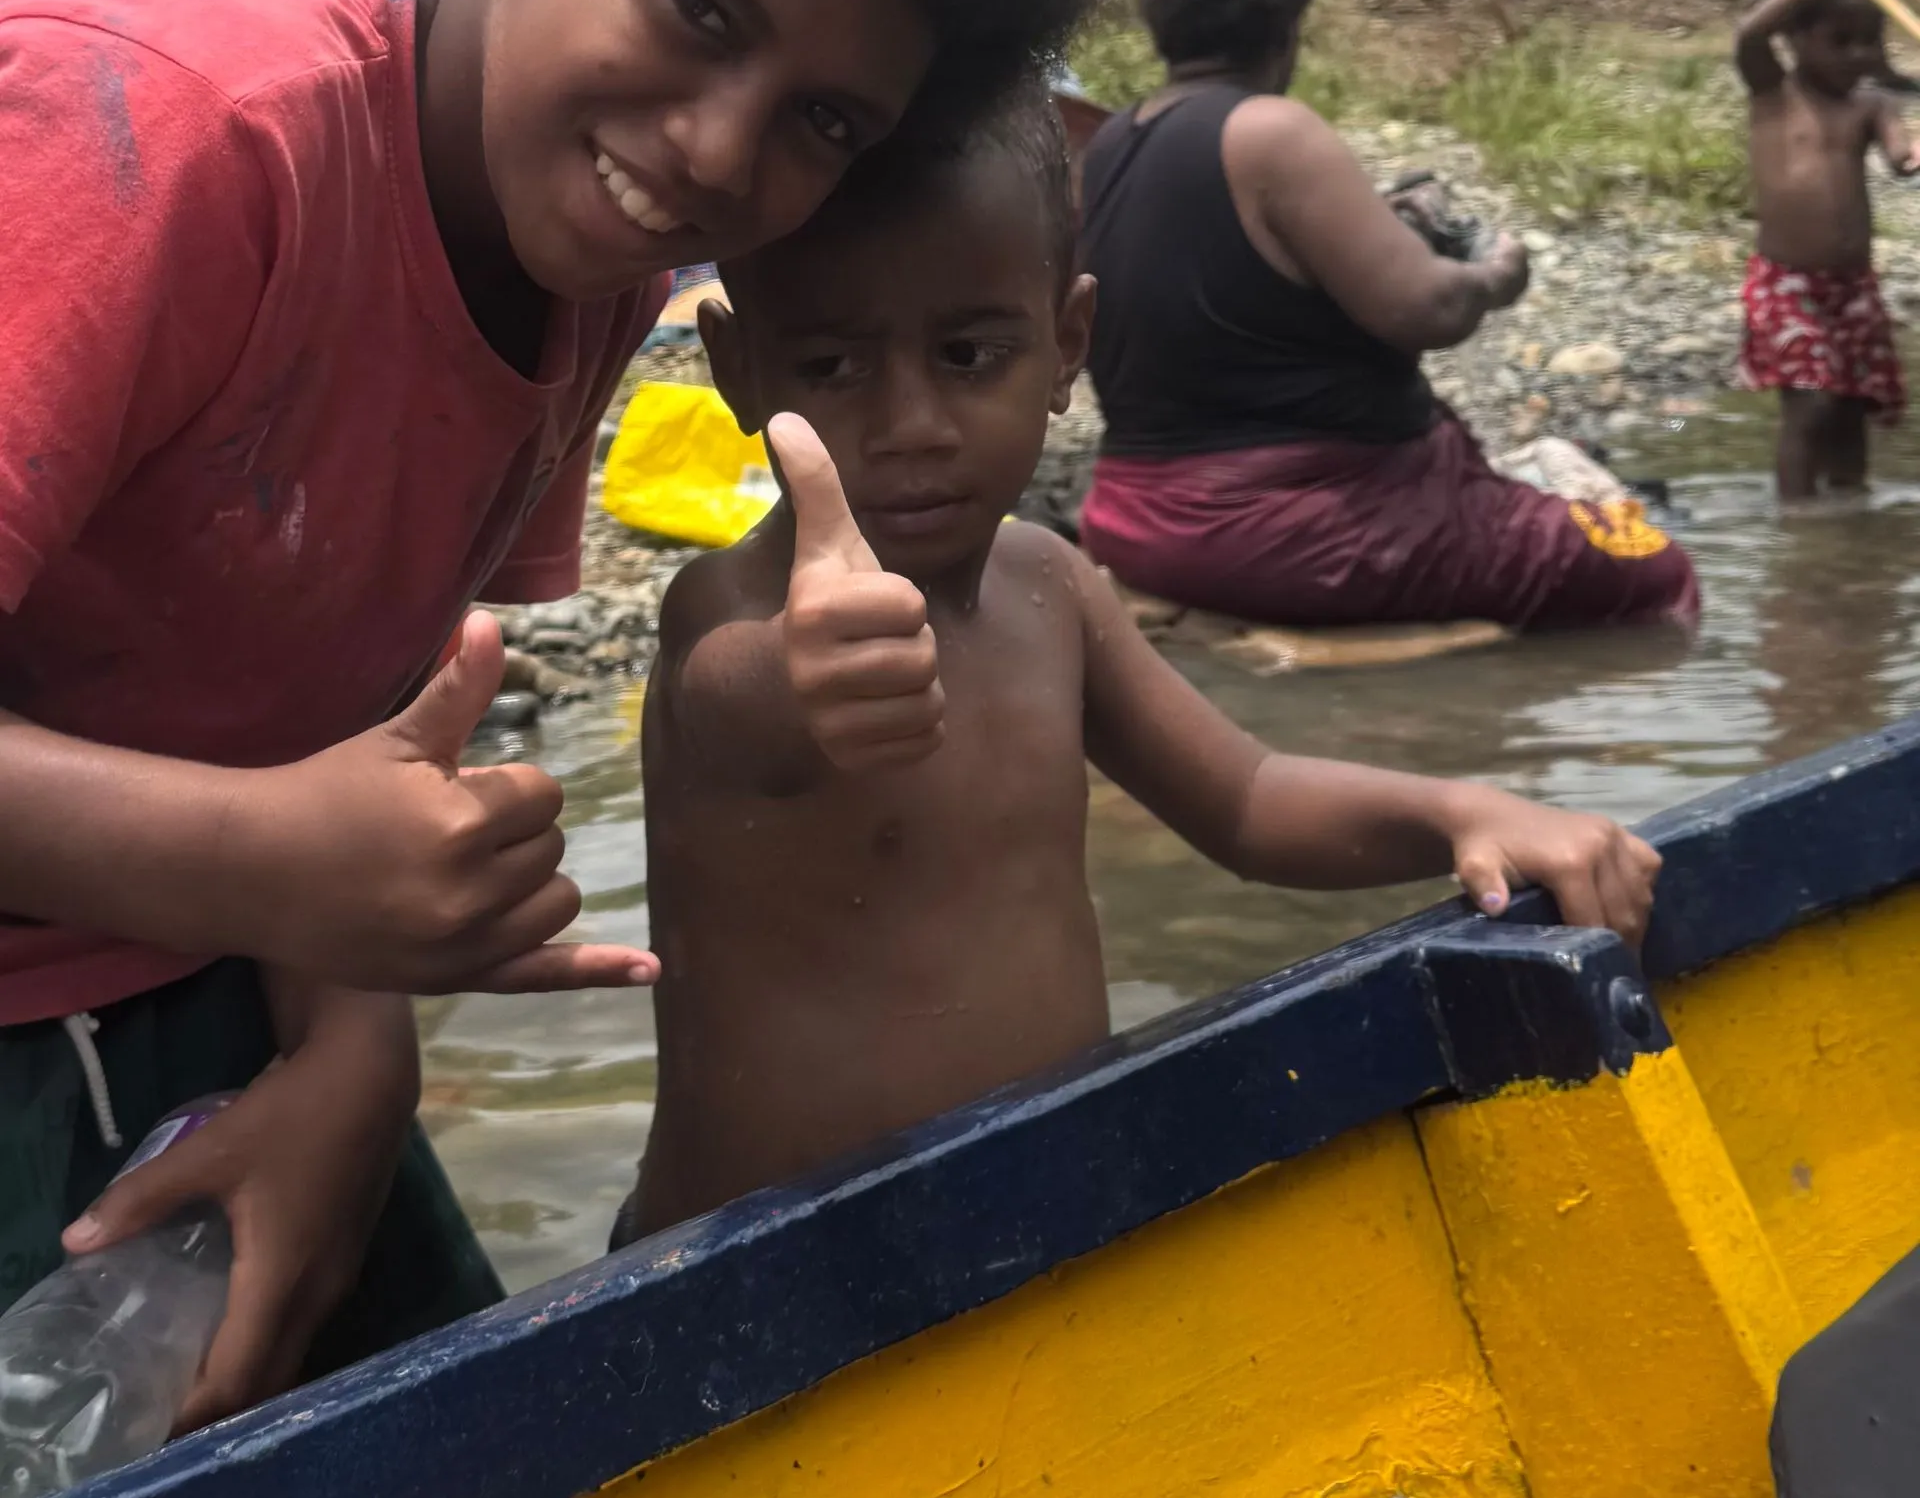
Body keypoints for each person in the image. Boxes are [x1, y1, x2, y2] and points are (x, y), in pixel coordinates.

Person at [0, 0, 1105, 1425]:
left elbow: (357, 696)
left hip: (210, 993)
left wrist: (359, 1053)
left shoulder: (566, 236)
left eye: (820, 122)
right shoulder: (146, 128)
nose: (715, 155)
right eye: (699, 14)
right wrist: (272, 870)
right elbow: (297, 817)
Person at [616, 84, 1660, 1239]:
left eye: (969, 352)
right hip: (753, 1280)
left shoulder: (1050, 588)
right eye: (832, 366)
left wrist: (1462, 810)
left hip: (1046, 1226)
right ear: (738, 364)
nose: (912, 420)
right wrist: (798, 674)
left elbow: (1251, 801)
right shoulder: (732, 608)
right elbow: (731, 700)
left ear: (1067, 345)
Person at [1074, 0, 1699, 634]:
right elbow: (1427, 308)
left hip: (1132, 513)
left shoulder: (1111, 143)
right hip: (1298, 531)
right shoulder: (1271, 132)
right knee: (1655, 565)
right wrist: (1498, 269)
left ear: (1158, 19)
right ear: (1289, 19)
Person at [1735, 0, 1918, 498]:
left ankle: (1848, 514)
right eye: (1840, 41)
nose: (1858, 55)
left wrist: (1910, 157)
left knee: (1851, 409)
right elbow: (1749, 34)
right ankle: (1796, 519)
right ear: (1794, 38)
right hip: (1788, 285)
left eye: (1869, 41)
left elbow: (1901, 153)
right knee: (1811, 400)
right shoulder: (1774, 92)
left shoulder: (1871, 105)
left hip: (1853, 288)